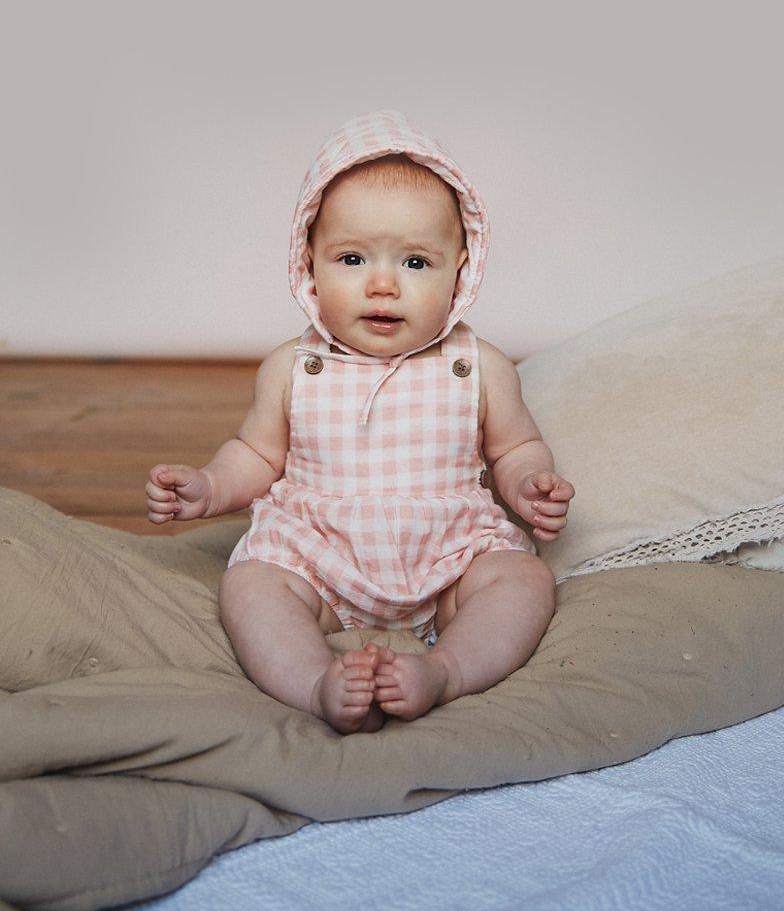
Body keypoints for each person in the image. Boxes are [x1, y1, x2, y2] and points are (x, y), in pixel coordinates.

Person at [145, 109, 574, 735]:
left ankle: (446, 670)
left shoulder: (478, 366)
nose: (382, 286)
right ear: (309, 266)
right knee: (251, 585)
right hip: (319, 556)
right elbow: (257, 455)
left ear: (461, 271)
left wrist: (530, 483)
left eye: (416, 264)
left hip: (449, 553)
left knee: (523, 581)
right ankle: (315, 681)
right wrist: (209, 487)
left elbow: (515, 447)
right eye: (350, 259)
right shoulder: (294, 367)